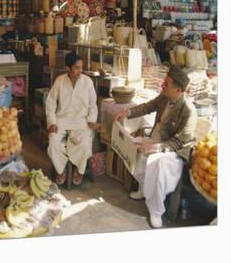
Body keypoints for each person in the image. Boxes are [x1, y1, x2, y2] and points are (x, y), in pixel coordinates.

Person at [114, 65, 197, 228]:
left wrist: (156, 148)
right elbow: (147, 107)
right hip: (155, 140)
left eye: (166, 84)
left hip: (173, 151)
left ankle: (156, 210)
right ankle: (144, 187)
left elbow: (179, 142)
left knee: (158, 162)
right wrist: (127, 113)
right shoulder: (165, 97)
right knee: (133, 144)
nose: (162, 86)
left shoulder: (189, 111)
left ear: (178, 90)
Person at [46, 51, 98, 186]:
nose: (80, 70)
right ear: (68, 68)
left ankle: (79, 171)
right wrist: (52, 122)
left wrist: (91, 120)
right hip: (61, 121)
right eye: (76, 68)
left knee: (85, 144)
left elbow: (93, 105)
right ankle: (60, 170)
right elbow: (50, 103)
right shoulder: (60, 81)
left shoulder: (87, 82)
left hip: (81, 123)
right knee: (53, 142)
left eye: (81, 67)